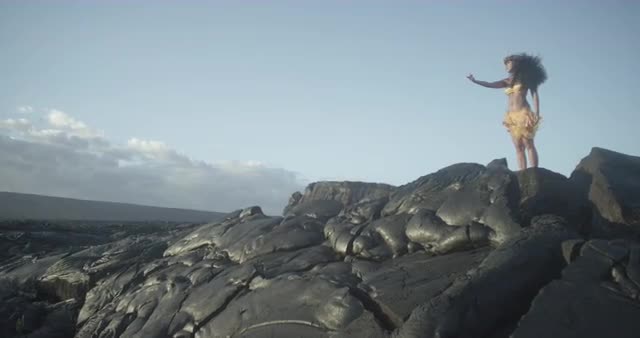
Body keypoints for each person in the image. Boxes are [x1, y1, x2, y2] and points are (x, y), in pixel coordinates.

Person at [467, 53, 547, 170]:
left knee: (528, 143)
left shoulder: (526, 79)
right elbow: (490, 84)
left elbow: (534, 95)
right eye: (506, 64)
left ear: (516, 64)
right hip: (511, 116)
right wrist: (475, 81)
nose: (507, 65)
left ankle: (534, 171)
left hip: (524, 113)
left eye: (509, 62)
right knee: (518, 147)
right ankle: (522, 172)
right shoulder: (506, 81)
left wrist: (537, 113)